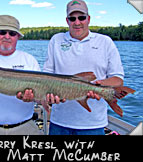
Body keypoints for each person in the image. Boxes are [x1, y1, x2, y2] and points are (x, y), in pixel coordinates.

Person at [43, 0, 124, 135]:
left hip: (93, 124)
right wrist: (47, 96)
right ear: (67, 20)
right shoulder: (56, 40)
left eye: (81, 17)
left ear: (88, 19)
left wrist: (98, 85)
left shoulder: (105, 42)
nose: (77, 22)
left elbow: (118, 79)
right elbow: (47, 75)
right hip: (59, 123)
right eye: (72, 18)